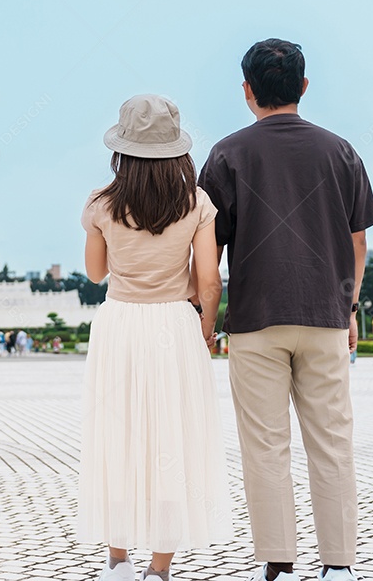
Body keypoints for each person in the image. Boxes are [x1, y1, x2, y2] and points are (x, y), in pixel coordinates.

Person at [199, 39, 373, 581]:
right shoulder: (340, 150)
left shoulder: (227, 154)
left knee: (265, 447)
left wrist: (204, 321)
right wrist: (348, 307)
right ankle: (340, 565)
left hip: (256, 320)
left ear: (248, 91)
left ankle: (278, 561)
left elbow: (209, 247)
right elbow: (357, 243)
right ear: (303, 87)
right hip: (325, 315)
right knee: (332, 442)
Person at [78, 93, 231, 581]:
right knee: (174, 439)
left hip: (120, 324)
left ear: (122, 149)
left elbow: (96, 273)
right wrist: (205, 329)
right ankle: (159, 568)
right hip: (174, 325)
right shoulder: (197, 203)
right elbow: (210, 281)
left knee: (117, 438)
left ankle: (118, 559)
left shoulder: (101, 203)